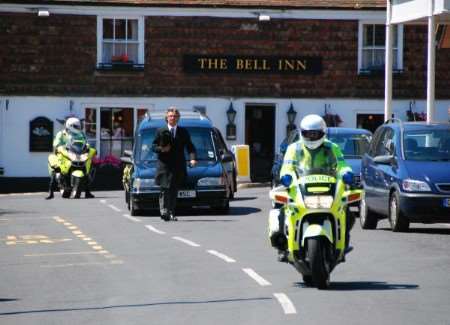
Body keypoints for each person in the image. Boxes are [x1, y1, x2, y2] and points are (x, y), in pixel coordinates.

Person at [275, 114, 354, 262]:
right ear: (302, 133)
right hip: (301, 187)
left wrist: (346, 173)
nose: (311, 137)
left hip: (327, 186)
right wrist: (286, 176)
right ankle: (283, 247)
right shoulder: (294, 148)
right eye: (308, 134)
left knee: (346, 212)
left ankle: (344, 243)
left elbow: (341, 164)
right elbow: (287, 166)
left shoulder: (332, 147)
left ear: (322, 133)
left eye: (315, 134)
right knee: (282, 211)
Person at [152, 107, 197, 221]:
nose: (173, 118)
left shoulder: (183, 132)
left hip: (178, 166)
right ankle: (164, 211)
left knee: (173, 190)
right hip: (164, 165)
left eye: (175, 116)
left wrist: (192, 159)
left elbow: (190, 147)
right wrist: (162, 149)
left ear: (178, 118)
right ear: (167, 118)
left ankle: (171, 212)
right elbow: (153, 147)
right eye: (171, 116)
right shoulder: (160, 131)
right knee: (164, 189)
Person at [46, 117, 95, 199]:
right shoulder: (61, 134)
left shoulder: (81, 134)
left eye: (79, 126)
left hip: (77, 154)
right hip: (64, 154)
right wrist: (59, 147)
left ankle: (87, 191)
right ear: (69, 125)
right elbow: (56, 145)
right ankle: (51, 192)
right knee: (56, 170)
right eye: (76, 126)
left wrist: (88, 148)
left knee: (87, 168)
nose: (78, 128)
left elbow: (85, 143)